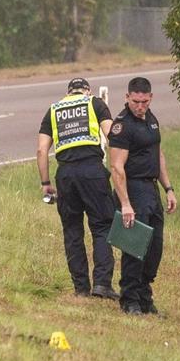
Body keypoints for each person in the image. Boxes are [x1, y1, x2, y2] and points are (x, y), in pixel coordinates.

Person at [37, 77, 118, 299]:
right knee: (102, 226)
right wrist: (119, 168)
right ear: (87, 91)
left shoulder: (53, 110)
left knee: (72, 231)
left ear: (68, 93)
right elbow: (111, 135)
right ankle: (102, 284)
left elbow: (42, 151)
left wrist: (45, 183)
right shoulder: (95, 103)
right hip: (92, 172)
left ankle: (80, 288)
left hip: (65, 175)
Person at [108, 77, 177, 315]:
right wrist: (126, 204)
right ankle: (130, 299)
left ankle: (145, 294)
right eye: (135, 101)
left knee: (154, 247)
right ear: (127, 97)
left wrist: (168, 188)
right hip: (132, 189)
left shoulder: (151, 120)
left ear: (151, 98)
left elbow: (158, 156)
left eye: (144, 102)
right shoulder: (122, 126)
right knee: (134, 246)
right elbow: (116, 168)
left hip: (151, 189)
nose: (140, 106)